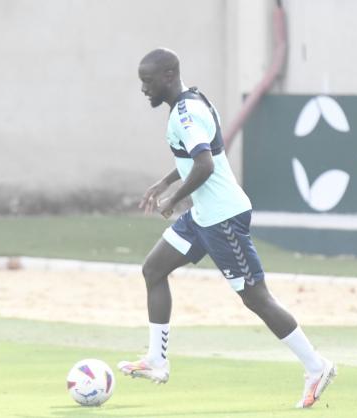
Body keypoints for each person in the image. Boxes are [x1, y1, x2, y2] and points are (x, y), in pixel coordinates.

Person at [118, 48, 336, 409]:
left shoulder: (185, 114)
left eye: (148, 80)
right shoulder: (193, 102)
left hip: (223, 220)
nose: (143, 88)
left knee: (256, 298)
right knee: (153, 269)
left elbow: (204, 166)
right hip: (203, 216)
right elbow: (199, 156)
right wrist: (164, 182)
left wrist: (172, 200)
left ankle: (316, 366)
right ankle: (157, 360)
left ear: (169, 76)